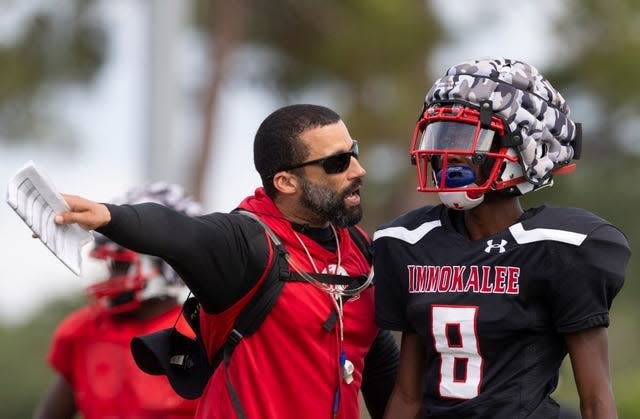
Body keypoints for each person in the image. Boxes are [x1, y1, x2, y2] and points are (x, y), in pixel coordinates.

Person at [51, 104, 399, 419]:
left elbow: (380, 365)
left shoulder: (358, 248)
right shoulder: (244, 242)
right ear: (286, 181)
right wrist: (107, 216)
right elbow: (179, 232)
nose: (359, 170)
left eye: (353, 153)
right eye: (337, 163)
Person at [373, 57, 630, 418]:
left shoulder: (559, 248)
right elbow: (407, 396)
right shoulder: (410, 242)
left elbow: (596, 400)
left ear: (522, 146)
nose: (446, 154)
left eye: (464, 137)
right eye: (441, 135)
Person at [33, 182, 203, 419]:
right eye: (112, 265)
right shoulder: (85, 330)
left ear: (165, 262)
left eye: (121, 264)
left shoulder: (201, 333)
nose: (113, 276)